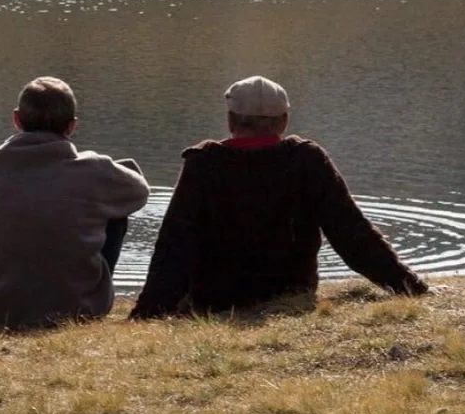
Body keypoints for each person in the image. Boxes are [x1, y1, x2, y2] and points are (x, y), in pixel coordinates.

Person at [129, 75, 429, 319]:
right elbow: (352, 234)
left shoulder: (205, 163)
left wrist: (147, 314)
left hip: (216, 300)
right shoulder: (307, 159)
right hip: (291, 291)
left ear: (231, 120)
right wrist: (410, 287)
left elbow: (175, 245)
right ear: (283, 121)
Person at [0, 76, 150, 331]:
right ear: (71, 127)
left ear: (16, 119)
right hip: (80, 310)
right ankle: (91, 294)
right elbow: (138, 193)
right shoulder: (96, 171)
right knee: (116, 202)